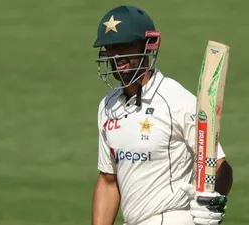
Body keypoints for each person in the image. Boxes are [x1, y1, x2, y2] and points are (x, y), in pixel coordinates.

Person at [91, 5, 233, 225]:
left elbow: (220, 166)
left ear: (147, 46)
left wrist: (216, 198)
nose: (117, 55)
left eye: (125, 45)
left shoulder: (176, 100)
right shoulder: (108, 106)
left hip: (174, 217)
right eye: (111, 47)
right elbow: (109, 181)